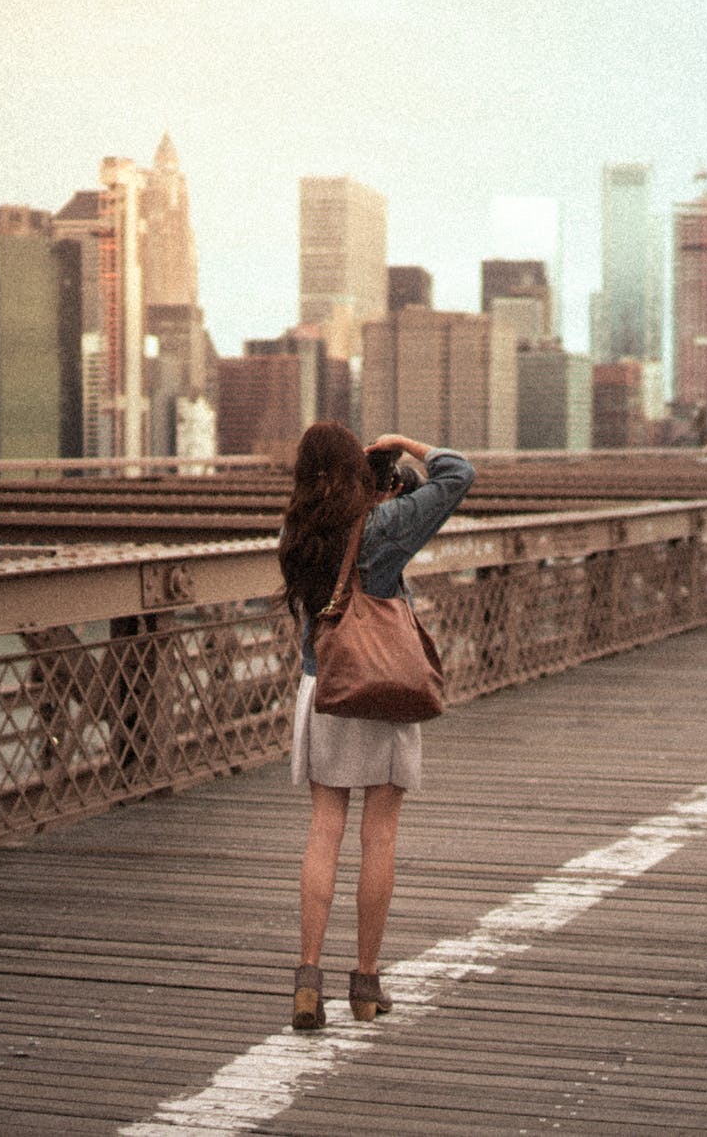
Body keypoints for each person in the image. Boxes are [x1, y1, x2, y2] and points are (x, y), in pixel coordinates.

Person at [277, 422, 475, 1029]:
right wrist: (405, 445)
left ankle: (307, 981)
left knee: (324, 829)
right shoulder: (382, 528)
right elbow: (457, 475)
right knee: (379, 834)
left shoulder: (297, 529)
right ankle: (364, 983)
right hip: (380, 689)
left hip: (325, 687)